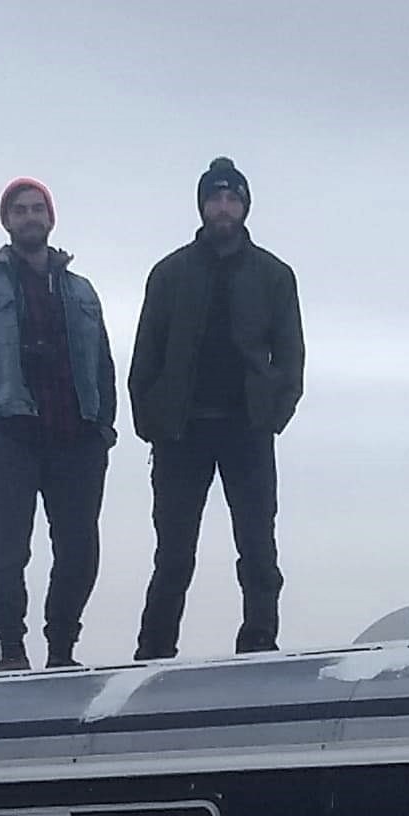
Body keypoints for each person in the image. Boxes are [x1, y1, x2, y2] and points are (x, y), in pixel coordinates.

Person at [128, 157, 304, 660]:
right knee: (173, 553)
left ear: (244, 206)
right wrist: (152, 421)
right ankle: (155, 648)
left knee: (258, 547)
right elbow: (146, 354)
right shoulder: (169, 274)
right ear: (202, 205)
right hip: (181, 433)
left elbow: (290, 355)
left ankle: (259, 639)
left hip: (247, 429)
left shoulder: (274, 275)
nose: (223, 207)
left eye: (232, 198)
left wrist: (272, 414)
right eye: (215, 198)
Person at [0, 178, 120, 669]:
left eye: (37, 208)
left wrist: (103, 426)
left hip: (77, 436)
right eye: (20, 210)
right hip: (12, 435)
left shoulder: (81, 290)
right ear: (6, 221)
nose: (30, 217)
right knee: (10, 546)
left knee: (79, 550)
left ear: (51, 217)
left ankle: (62, 649)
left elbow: (103, 361)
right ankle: (11, 650)